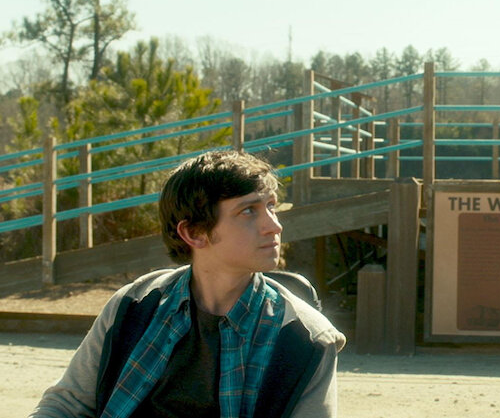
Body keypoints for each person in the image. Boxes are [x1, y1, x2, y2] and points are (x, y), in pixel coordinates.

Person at [30, 149, 346, 418]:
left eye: (271, 207)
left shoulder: (307, 339)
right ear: (194, 233)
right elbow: (66, 405)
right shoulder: (136, 304)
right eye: (249, 211)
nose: (274, 226)